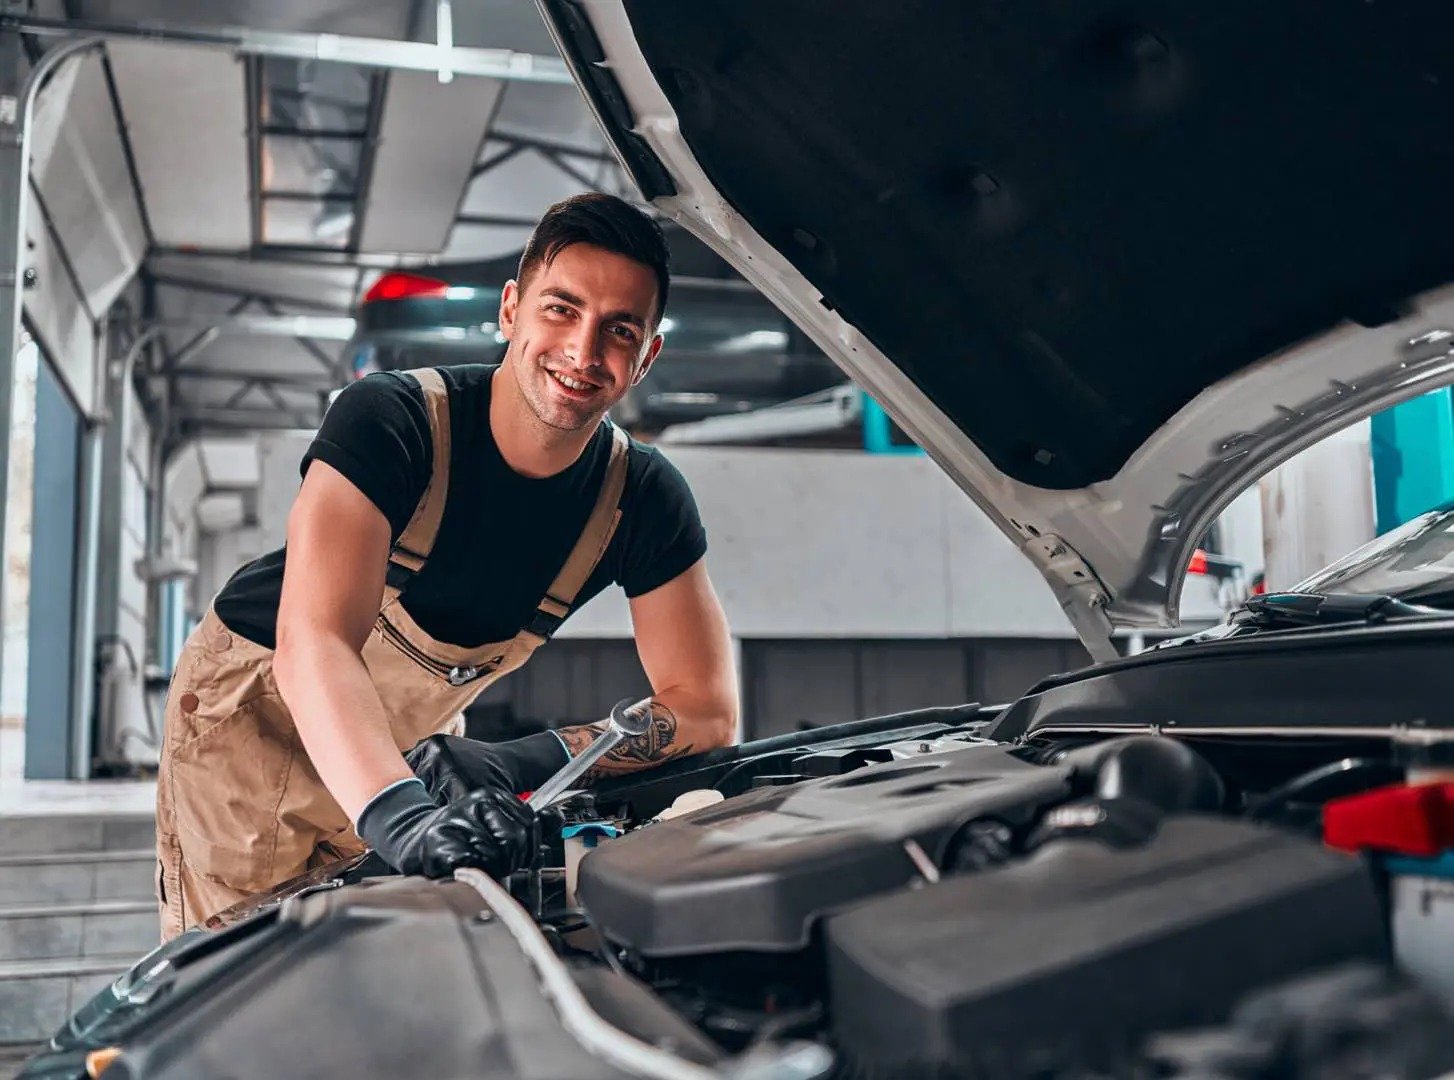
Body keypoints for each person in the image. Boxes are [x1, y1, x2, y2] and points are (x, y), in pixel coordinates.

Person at [154, 193, 740, 940]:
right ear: (511, 310)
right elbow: (317, 644)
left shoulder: (642, 500)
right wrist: (400, 816)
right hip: (256, 717)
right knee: (235, 979)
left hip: (403, 751)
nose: (584, 352)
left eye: (619, 330)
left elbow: (708, 711)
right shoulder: (390, 423)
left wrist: (512, 759)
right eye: (560, 309)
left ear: (647, 355)